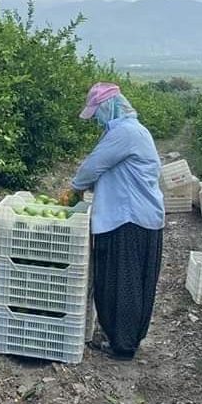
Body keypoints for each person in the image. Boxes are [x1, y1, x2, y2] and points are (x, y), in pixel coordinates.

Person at [67, 82, 164, 361]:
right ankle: (126, 339)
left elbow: (93, 166)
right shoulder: (132, 131)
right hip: (139, 217)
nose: (96, 118)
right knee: (133, 282)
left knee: (122, 282)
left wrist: (73, 188)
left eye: (97, 111)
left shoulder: (125, 133)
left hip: (127, 218)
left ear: (109, 106)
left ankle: (122, 345)